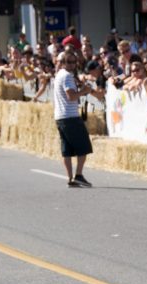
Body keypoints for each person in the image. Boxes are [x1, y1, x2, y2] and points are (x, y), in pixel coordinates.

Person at [52, 52, 93, 187]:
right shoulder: (67, 76)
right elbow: (71, 96)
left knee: (67, 149)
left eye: (73, 62)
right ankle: (79, 175)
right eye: (68, 62)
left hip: (60, 116)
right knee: (84, 146)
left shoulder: (59, 75)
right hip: (70, 116)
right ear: (62, 63)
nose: (72, 65)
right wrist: (84, 90)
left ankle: (70, 178)